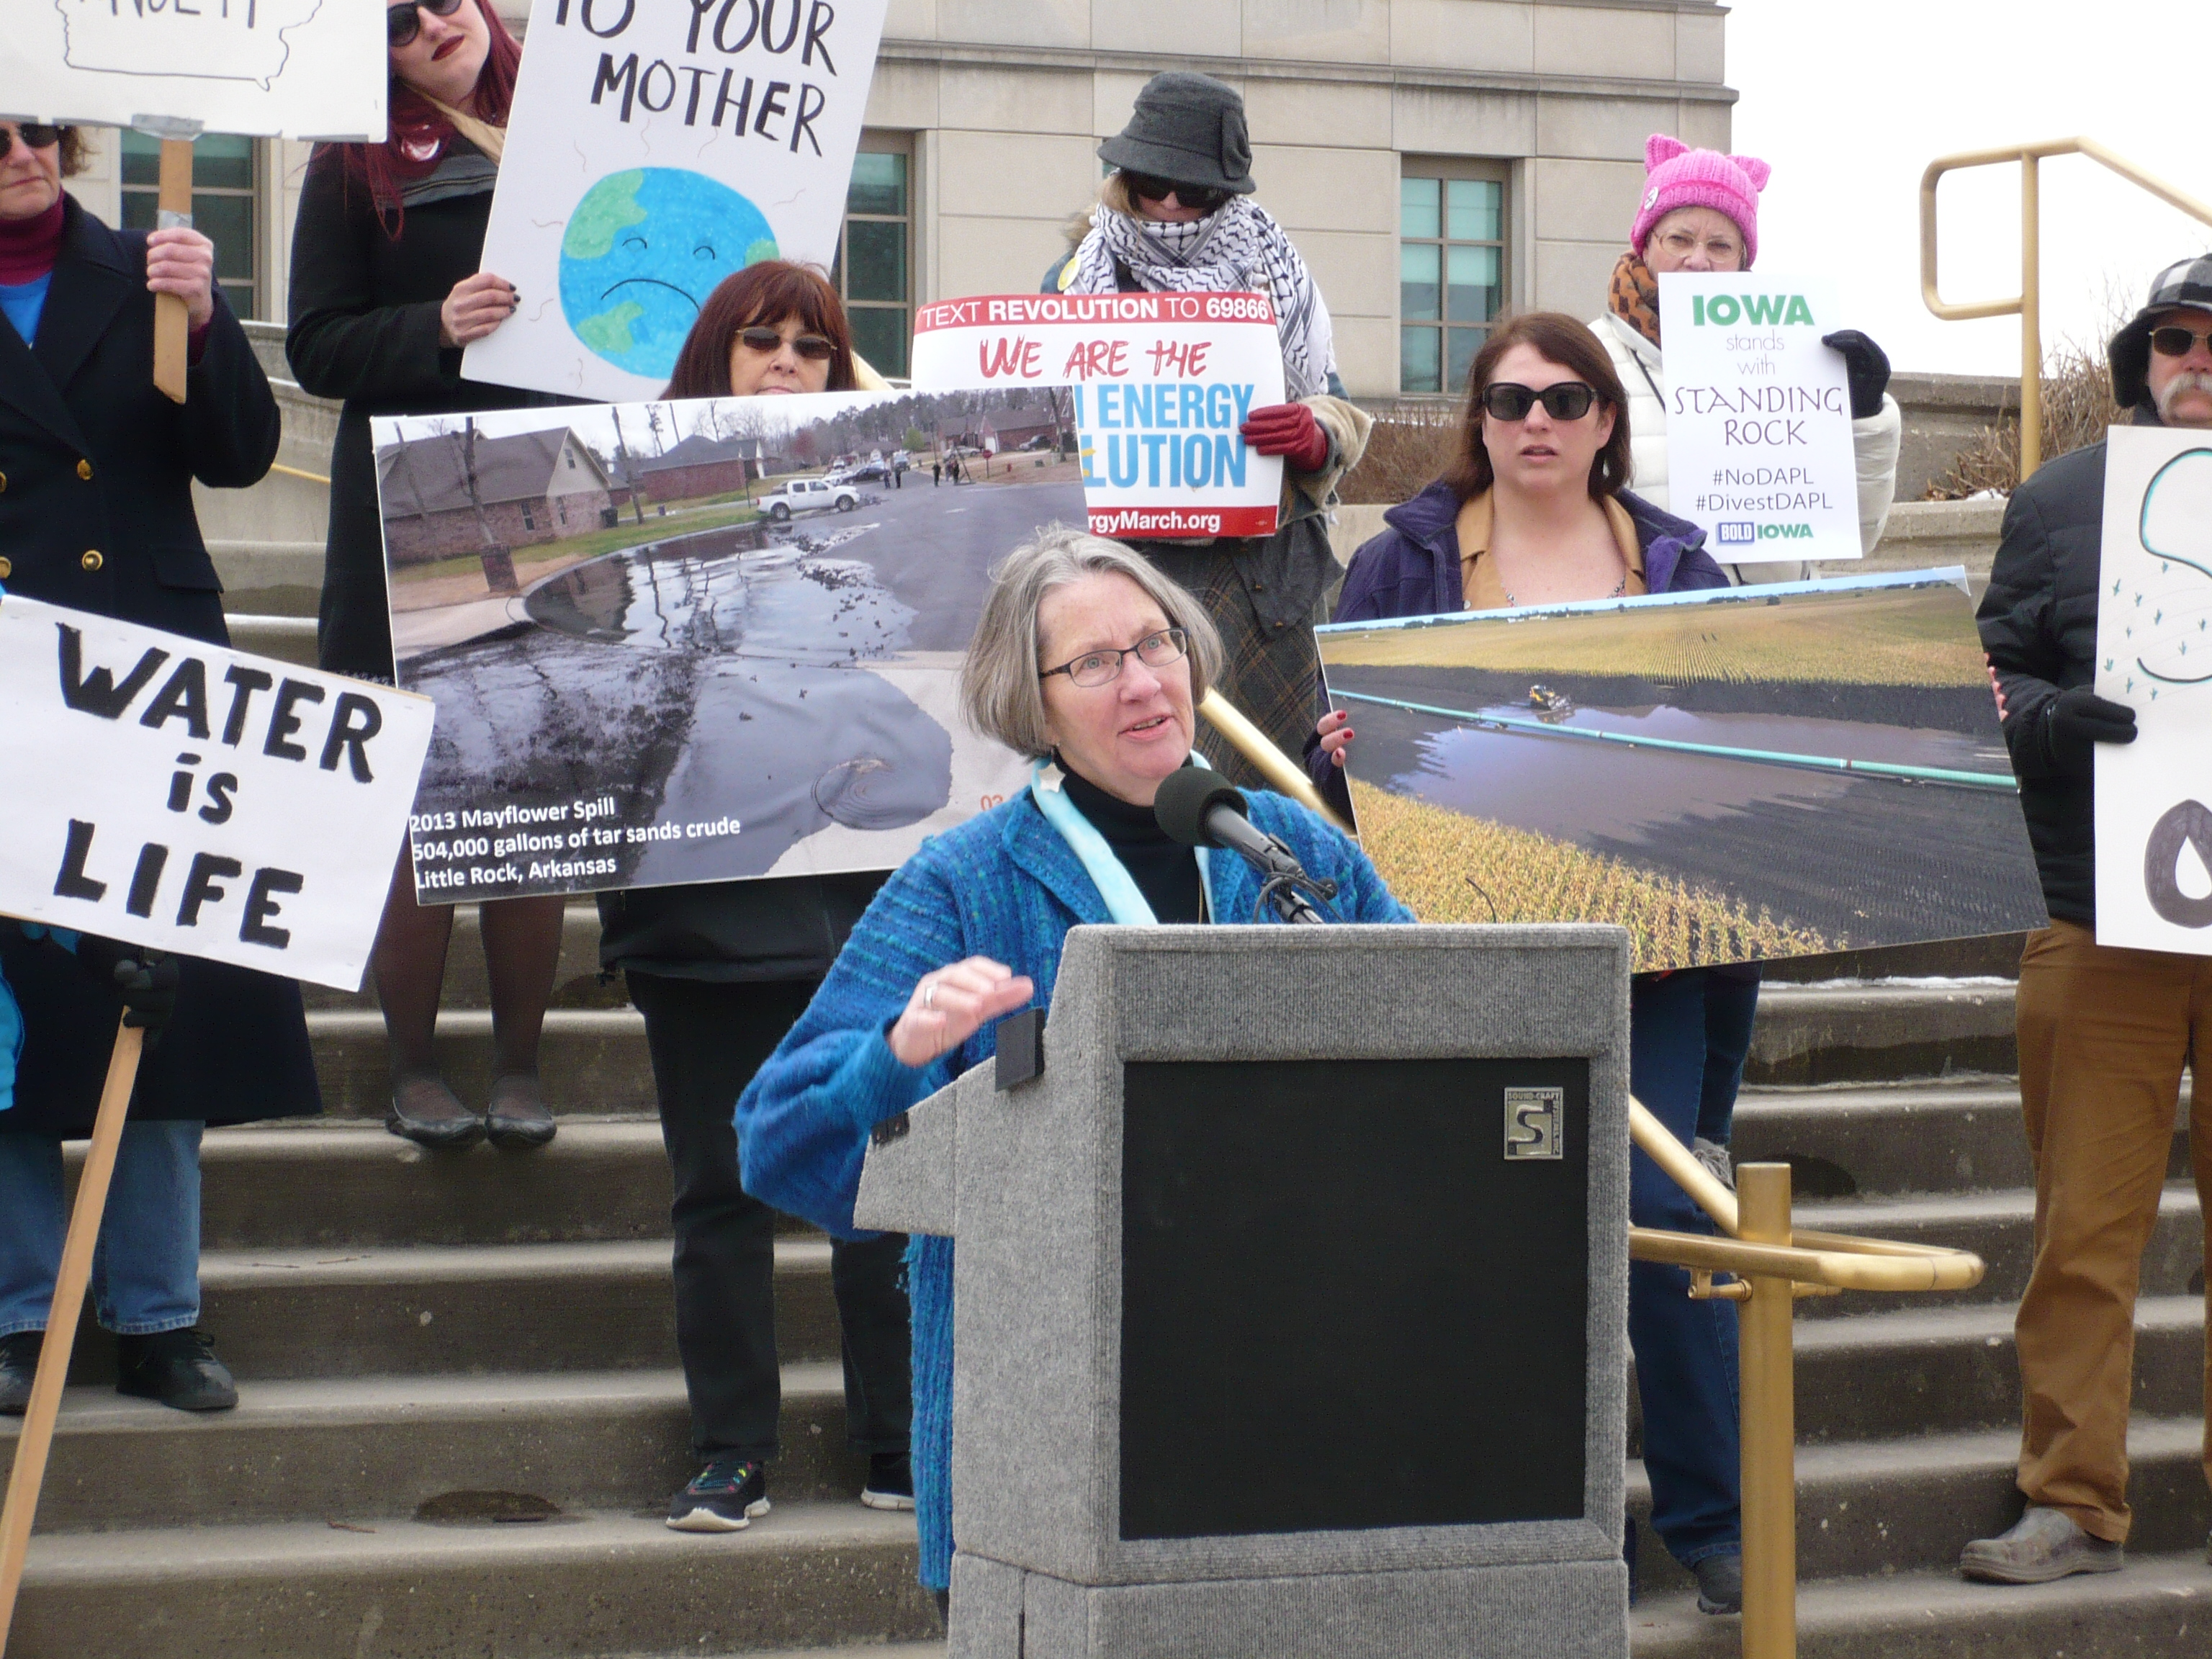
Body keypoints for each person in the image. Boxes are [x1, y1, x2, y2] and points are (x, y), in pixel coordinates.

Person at [734, 527, 1411, 1609]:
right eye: (1094, 664)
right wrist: (893, 1056)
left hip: (1301, 1383)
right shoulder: (963, 883)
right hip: (1056, 1428)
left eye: (1155, 644)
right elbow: (776, 1143)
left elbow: (1439, 1024)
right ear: (1034, 705)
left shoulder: (1288, 849)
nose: (1142, 681)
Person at [1318, 312, 1748, 1614]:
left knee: (1666, 1215)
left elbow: (1748, 749)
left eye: (1566, 398)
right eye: (1510, 401)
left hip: (1656, 953)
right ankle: (1562, 1528)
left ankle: (1714, 1519)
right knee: (1510, 1229)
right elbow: (1339, 770)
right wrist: (1338, 752)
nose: (1538, 423)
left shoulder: (1681, 566)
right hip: (1473, 949)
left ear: (1608, 417)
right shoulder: (1399, 565)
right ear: (1479, 418)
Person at [0, 118, 318, 1412]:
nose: (18, 152)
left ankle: (158, 1312)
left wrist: (208, 314)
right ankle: (20, 1312)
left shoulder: (149, 264)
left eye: (30, 129)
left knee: (158, 993)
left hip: (150, 677)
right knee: (11, 1014)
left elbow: (236, 453)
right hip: (11, 683)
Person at [599, 259, 914, 1532]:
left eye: (813, 346)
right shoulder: (638, 513)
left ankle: (896, 1437)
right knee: (719, 1189)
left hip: (858, 907)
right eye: (760, 342)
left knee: (880, 1184)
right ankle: (731, 1446)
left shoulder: (888, 522)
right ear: (712, 360)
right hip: (699, 911)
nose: (787, 363)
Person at [1960, 256, 2212, 1584]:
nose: (2199, 359)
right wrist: (2044, 717)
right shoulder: (2061, 501)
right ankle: (2069, 1492)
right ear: (2140, 357)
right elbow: (1992, 666)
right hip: (2094, 909)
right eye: (2176, 337)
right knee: (2082, 1230)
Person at [287, 0, 565, 1150]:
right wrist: (434, 327)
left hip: (555, 485)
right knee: (414, 801)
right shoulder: (351, 163)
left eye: (445, 0)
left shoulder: (577, 119)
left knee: (540, 796)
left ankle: (520, 1062)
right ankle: (412, 1063)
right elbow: (315, 343)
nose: (431, 26)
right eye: (396, 20)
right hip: (408, 500)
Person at [1048, 72, 1372, 788]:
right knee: (1133, 787)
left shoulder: (1278, 271)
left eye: (1192, 191)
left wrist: (1316, 437)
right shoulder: (1076, 278)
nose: (1168, 204)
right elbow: (1042, 419)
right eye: (1150, 183)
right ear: (1123, 175)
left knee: (1270, 797)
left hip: (1264, 597)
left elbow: (1335, 403)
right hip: (1129, 581)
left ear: (1228, 193)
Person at [1590, 135, 1901, 561]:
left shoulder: (1797, 357)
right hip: (1659, 622)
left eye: (1719, 246)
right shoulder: (1588, 359)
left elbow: (1852, 538)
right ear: (1645, 245)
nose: (1698, 261)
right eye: (1679, 239)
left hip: (1776, 618)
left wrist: (1863, 418)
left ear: (1742, 260)